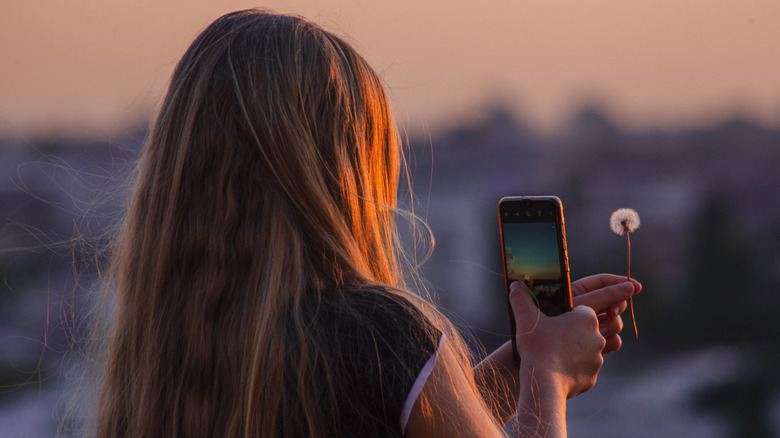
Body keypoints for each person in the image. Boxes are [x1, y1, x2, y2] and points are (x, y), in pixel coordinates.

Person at [95, 9, 641, 437]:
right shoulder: (379, 331)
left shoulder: (162, 356)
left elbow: (390, 408)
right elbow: (385, 382)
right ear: (342, 170)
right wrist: (548, 374)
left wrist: (523, 357)